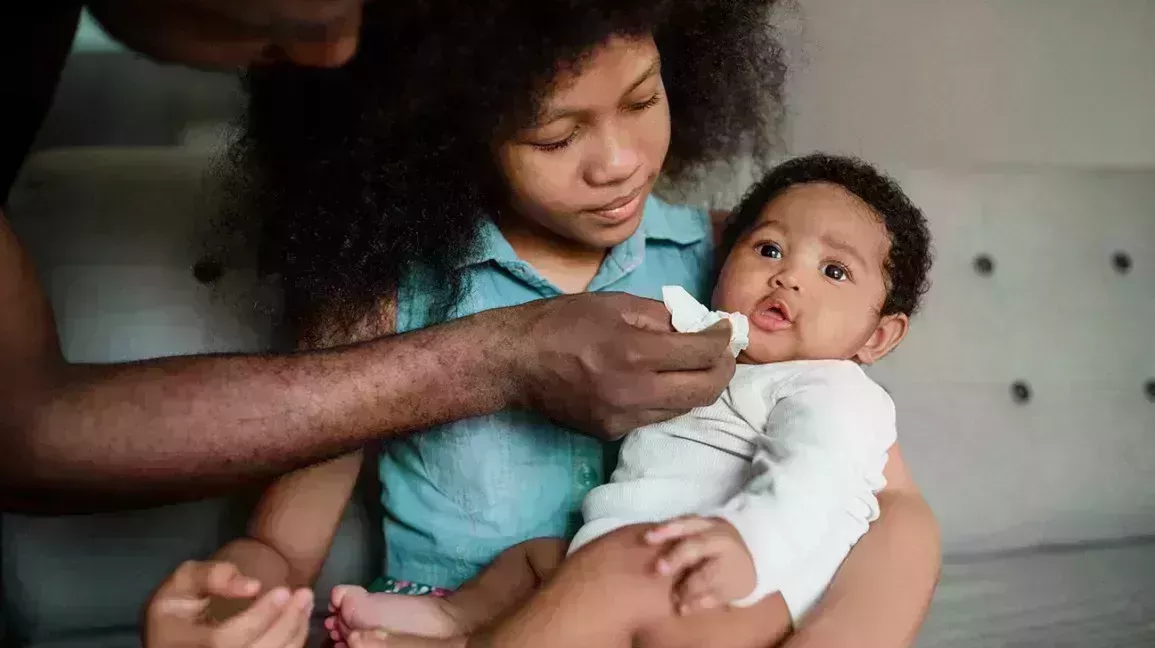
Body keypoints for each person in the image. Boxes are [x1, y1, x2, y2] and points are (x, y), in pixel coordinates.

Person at [145, 3, 939, 648]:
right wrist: (233, 603)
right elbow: (283, 545)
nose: (619, 162)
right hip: (445, 614)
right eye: (556, 135)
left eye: (643, 97)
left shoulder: (734, 262)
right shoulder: (377, 293)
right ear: (444, 132)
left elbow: (886, 502)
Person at [0, 0, 737, 515]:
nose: (338, 54)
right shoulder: (396, 284)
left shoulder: (719, 248)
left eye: (643, 101)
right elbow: (19, 430)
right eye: (551, 137)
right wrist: (503, 357)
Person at [321, 153, 935, 648]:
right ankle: (457, 621)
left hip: (729, 587)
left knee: (609, 569)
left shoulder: (832, 388)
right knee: (540, 559)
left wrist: (751, 546)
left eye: (834, 272)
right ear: (723, 260)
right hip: (634, 555)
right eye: (769, 249)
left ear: (879, 336)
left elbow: (817, 478)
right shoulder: (706, 347)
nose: (788, 276)